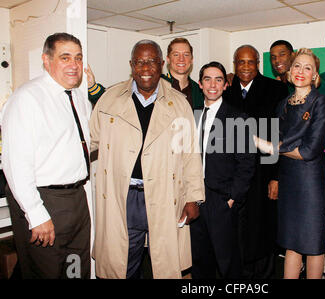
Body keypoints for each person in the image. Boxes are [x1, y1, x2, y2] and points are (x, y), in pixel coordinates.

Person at [89, 39, 204, 279]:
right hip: (124, 196)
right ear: (131, 65)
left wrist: (193, 197)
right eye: (140, 62)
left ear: (162, 64)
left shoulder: (179, 104)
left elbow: (190, 154)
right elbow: (92, 141)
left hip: (165, 194)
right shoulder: (109, 99)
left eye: (152, 61)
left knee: (164, 264)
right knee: (122, 263)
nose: (145, 68)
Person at [2, 32, 91, 278]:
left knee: (76, 268)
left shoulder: (78, 98)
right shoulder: (26, 99)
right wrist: (36, 214)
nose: (74, 64)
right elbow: (15, 164)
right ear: (46, 60)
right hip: (45, 200)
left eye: (78, 58)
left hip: (76, 200)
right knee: (46, 272)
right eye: (65, 57)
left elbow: (80, 144)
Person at [257, 48, 325, 279]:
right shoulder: (282, 105)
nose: (301, 71)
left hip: (310, 183)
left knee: (312, 243)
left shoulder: (321, 102)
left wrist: (272, 148)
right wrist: (276, 148)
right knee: (291, 242)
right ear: (289, 72)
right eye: (297, 66)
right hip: (288, 180)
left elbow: (310, 150)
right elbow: (286, 144)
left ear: (315, 75)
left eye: (307, 67)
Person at [224, 45, 288, 278]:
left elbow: (280, 135)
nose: (246, 67)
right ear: (235, 64)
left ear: (258, 64)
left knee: (263, 229)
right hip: (235, 175)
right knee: (238, 230)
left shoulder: (276, 89)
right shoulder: (227, 90)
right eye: (241, 62)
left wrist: (276, 177)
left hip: (264, 173)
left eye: (251, 62)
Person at [190, 61, 255, 279]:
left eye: (218, 79)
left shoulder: (239, 118)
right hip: (195, 198)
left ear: (226, 85)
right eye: (207, 79)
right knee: (200, 260)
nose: (212, 84)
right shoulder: (193, 116)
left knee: (228, 262)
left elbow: (247, 163)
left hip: (222, 200)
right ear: (200, 84)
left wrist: (232, 198)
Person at [162, 37, 204, 110]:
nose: (181, 59)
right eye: (176, 55)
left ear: (191, 59)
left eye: (186, 55)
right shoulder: (159, 85)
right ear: (168, 59)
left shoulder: (199, 91)